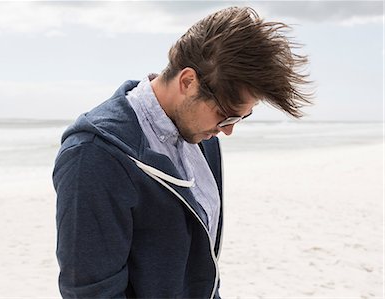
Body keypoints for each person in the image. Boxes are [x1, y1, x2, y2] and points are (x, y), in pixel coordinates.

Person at [53, 6, 311, 298]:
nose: (228, 130)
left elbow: (200, 265)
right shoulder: (94, 155)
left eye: (241, 118)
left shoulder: (202, 136)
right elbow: (91, 291)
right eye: (224, 115)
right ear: (188, 81)